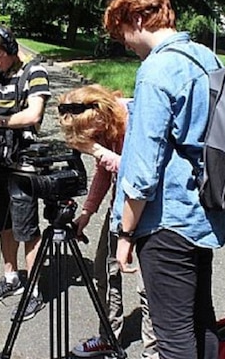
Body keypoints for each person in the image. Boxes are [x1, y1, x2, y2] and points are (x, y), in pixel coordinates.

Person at [104, 0, 225, 359]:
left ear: (139, 18)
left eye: (121, 31)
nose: (123, 42)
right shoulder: (207, 58)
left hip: (166, 223)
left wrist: (125, 234)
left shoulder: (156, 70)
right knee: (201, 321)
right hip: (205, 211)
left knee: (173, 337)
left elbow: (142, 171)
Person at [57, 84, 158, 359]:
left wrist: (99, 151)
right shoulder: (107, 128)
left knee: (147, 286)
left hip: (151, 210)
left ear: (100, 114)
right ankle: (108, 337)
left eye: (93, 133)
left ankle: (154, 352)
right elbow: (104, 174)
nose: (95, 139)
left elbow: (137, 174)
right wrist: (87, 213)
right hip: (120, 208)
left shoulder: (138, 120)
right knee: (103, 270)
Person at [0, 24, 51, 321]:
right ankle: (11, 278)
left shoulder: (35, 73)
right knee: (2, 221)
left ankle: (33, 290)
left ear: (9, 48)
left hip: (24, 162)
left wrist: (1, 123)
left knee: (26, 226)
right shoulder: (0, 75)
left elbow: (35, 114)